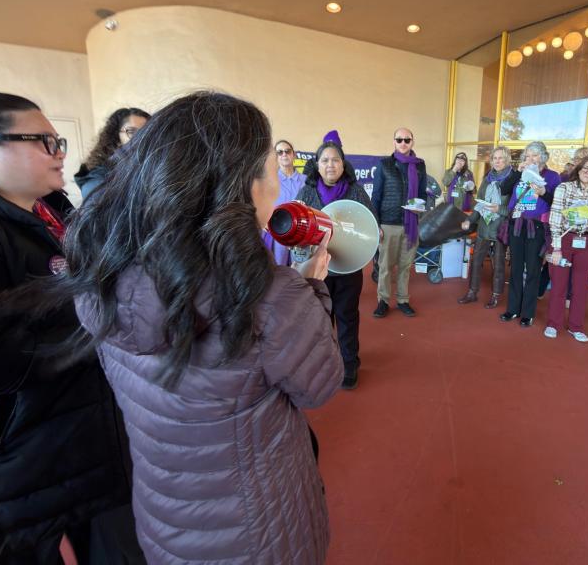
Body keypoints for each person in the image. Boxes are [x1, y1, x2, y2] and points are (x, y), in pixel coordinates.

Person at [46, 91, 342, 563]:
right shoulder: (267, 294)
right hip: (257, 529)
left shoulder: (101, 268)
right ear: (239, 187)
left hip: (166, 517)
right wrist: (312, 290)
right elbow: (320, 385)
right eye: (269, 171)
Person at [0, 92, 132, 563]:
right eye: (43, 141)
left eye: (58, 141)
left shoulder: (44, 208)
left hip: (68, 431)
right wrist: (93, 331)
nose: (59, 153)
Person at [296, 137, 373, 389]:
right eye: (325, 160)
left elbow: (369, 223)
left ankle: (349, 363)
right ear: (317, 165)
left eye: (336, 160)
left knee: (347, 315)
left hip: (349, 265)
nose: (331, 165)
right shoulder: (307, 192)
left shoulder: (356, 191)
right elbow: (298, 228)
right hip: (317, 267)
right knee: (319, 317)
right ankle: (324, 364)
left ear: (343, 165)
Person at [544, 156, 588, 342]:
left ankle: (575, 326)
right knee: (559, 284)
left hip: (587, 241)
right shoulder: (564, 188)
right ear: (578, 169)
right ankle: (553, 323)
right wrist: (556, 249)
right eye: (585, 168)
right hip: (565, 240)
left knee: (581, 287)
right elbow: (555, 219)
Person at [498, 141, 561, 327]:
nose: (531, 159)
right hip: (517, 223)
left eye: (535, 155)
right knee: (516, 267)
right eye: (528, 155)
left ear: (544, 157)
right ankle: (513, 308)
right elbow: (503, 189)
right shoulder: (520, 174)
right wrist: (518, 172)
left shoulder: (553, 176)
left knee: (533, 269)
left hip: (537, 226)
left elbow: (556, 202)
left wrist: (543, 192)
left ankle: (528, 312)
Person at [371, 127, 427, 318]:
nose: (403, 143)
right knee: (385, 266)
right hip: (388, 223)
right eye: (399, 139)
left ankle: (403, 300)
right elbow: (376, 196)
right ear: (394, 142)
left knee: (405, 266)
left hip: (410, 225)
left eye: (407, 140)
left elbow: (421, 195)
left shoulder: (420, 165)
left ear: (412, 142)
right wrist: (376, 224)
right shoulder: (384, 164)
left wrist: (418, 208)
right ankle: (383, 301)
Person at [458, 146, 513, 308]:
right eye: (495, 158)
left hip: (500, 227)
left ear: (507, 160)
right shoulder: (487, 178)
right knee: (476, 262)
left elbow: (514, 207)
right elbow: (479, 202)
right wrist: (470, 220)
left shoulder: (513, 179)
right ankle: (472, 292)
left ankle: (496, 295)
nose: (497, 161)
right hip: (484, 225)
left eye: (501, 158)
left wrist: (500, 209)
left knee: (498, 264)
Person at [74, 107, 150, 200]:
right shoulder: (97, 182)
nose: (141, 138)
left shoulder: (147, 166)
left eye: (146, 132)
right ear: (115, 136)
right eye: (132, 132)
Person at [261, 137, 308, 265]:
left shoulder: (306, 181)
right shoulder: (269, 180)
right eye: (279, 152)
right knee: (278, 268)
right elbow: (261, 204)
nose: (284, 154)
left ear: (294, 155)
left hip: (300, 233)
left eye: (287, 151)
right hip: (277, 231)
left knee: (299, 269)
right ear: (275, 156)